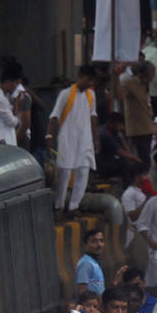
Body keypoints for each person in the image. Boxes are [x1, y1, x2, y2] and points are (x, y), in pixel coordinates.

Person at [48, 66, 99, 217]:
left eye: (92, 80)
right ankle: (59, 206)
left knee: (83, 171)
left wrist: (96, 139)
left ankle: (74, 206)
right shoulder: (66, 94)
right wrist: (49, 137)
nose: (90, 83)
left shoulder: (91, 95)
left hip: (85, 140)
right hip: (67, 139)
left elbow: (93, 115)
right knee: (64, 173)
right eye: (88, 79)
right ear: (80, 77)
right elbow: (54, 115)